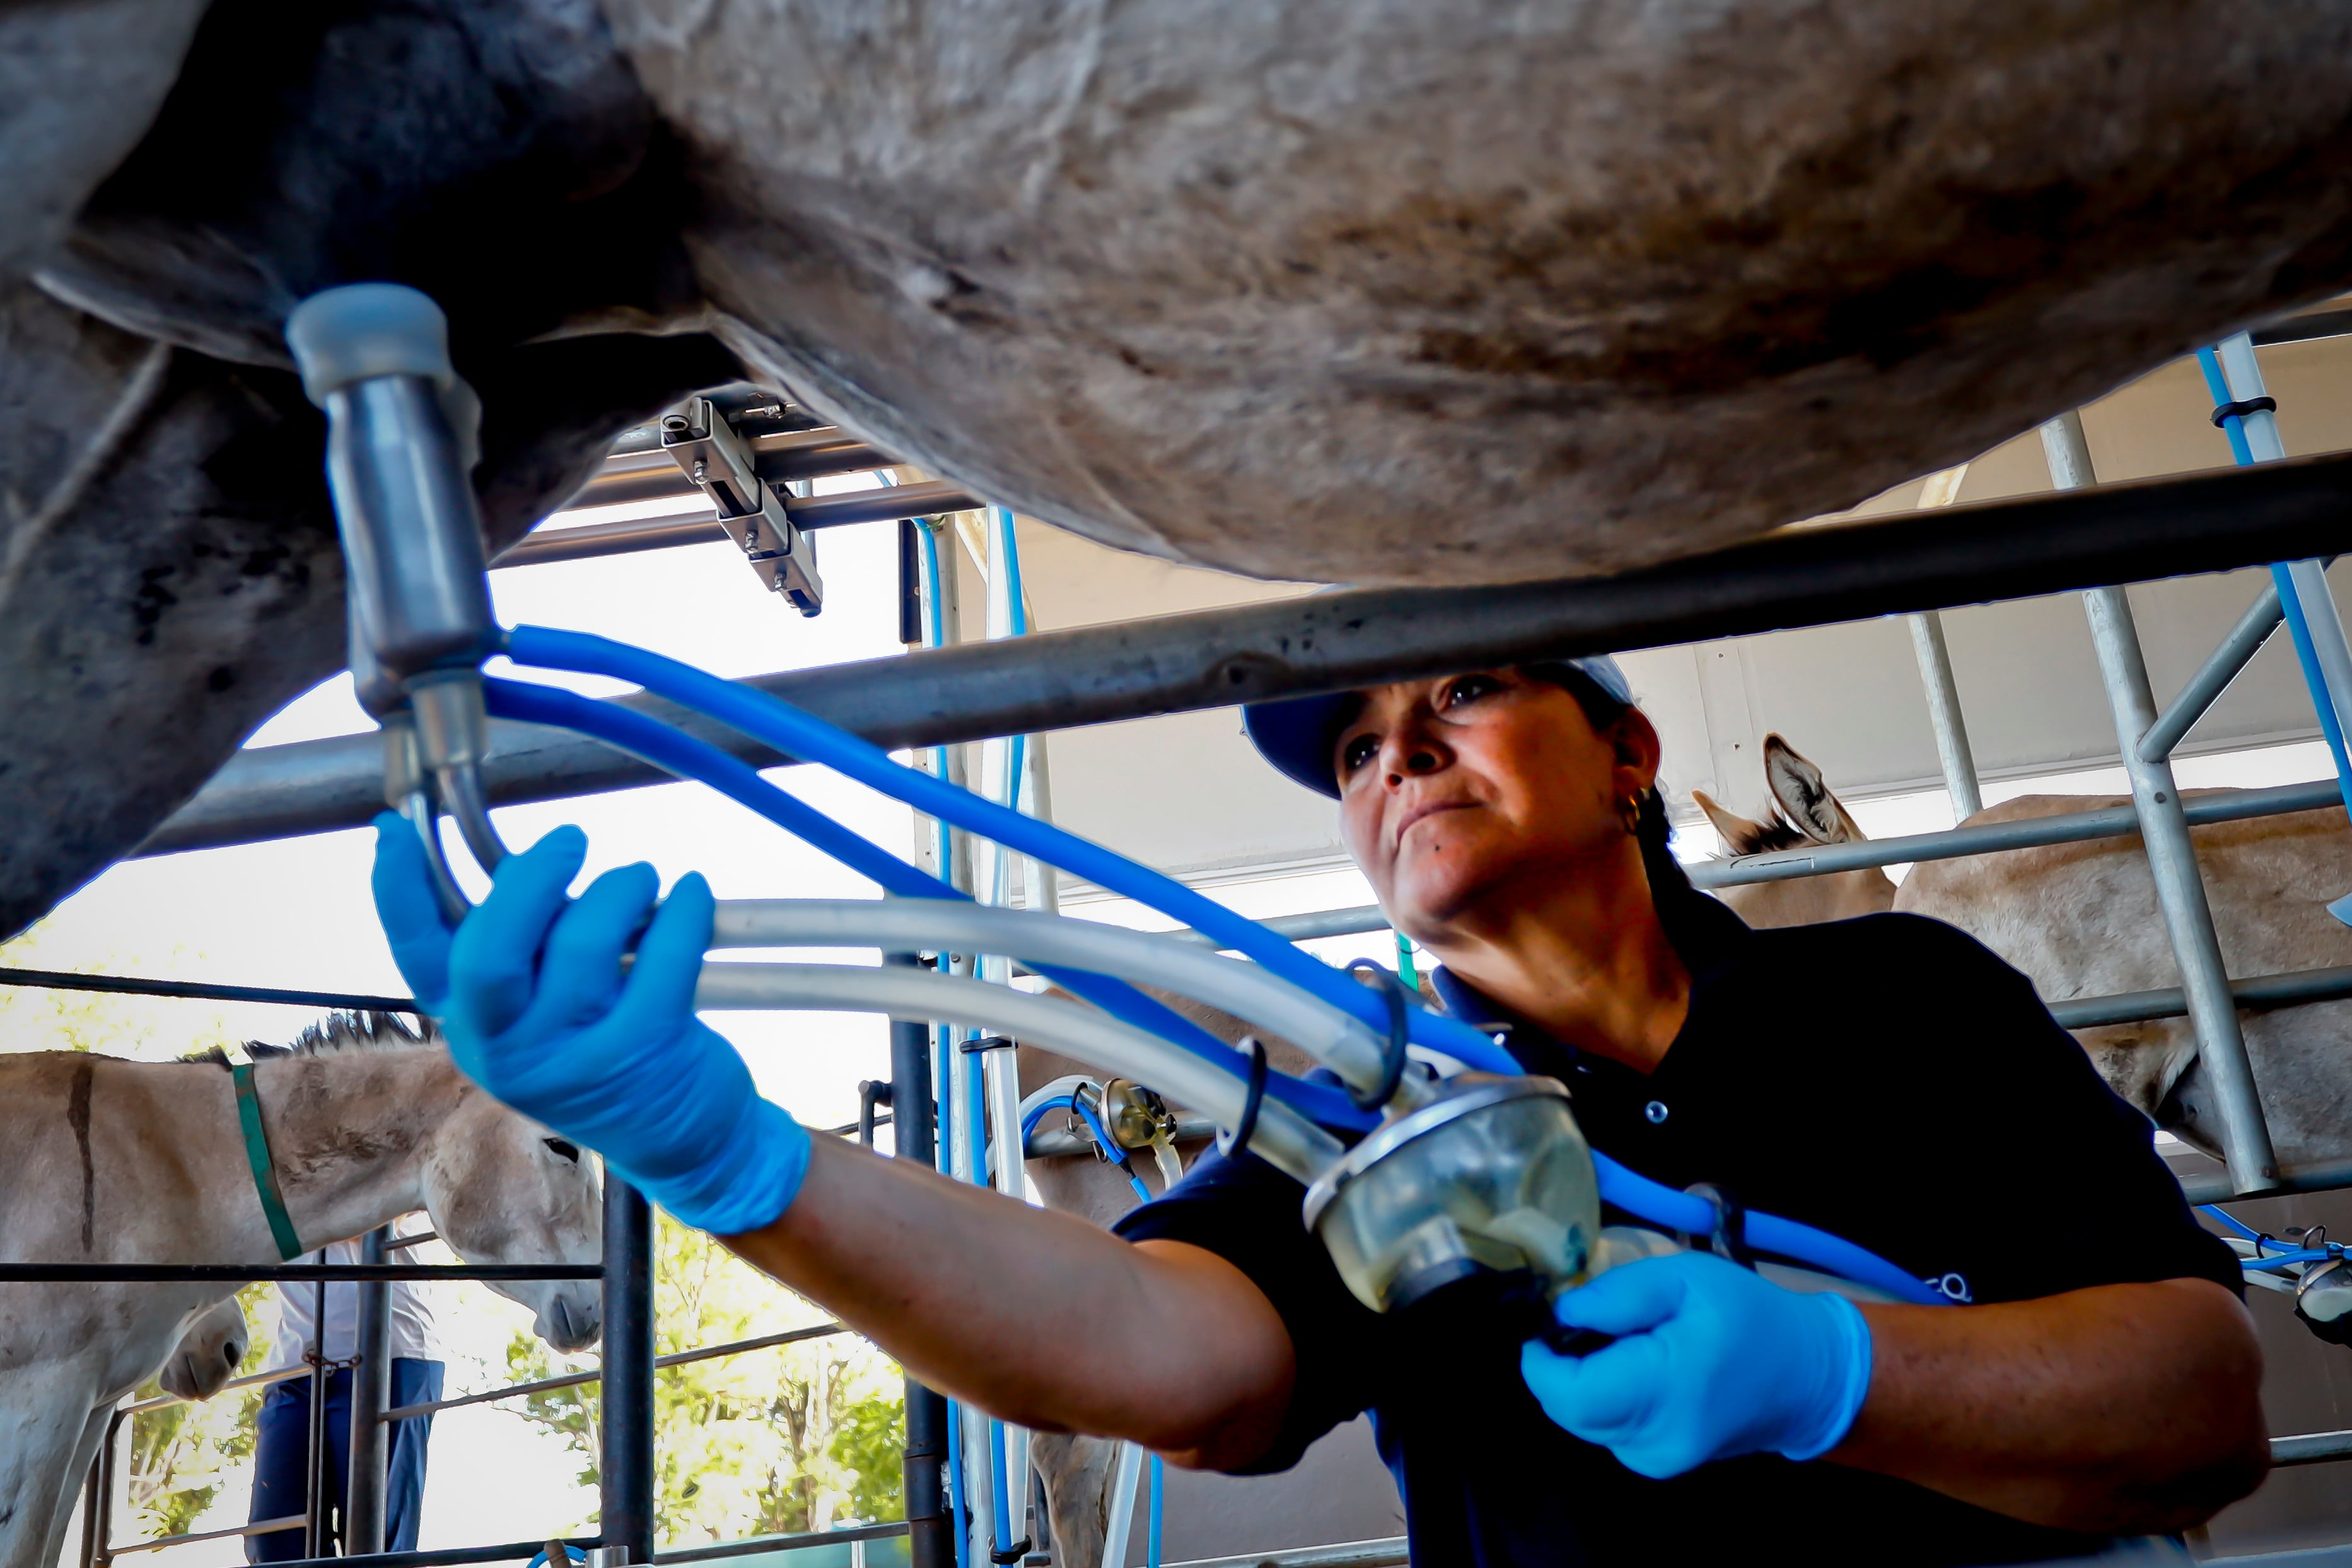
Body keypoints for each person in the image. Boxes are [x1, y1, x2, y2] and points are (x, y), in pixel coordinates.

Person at [368, 656, 2269, 1566]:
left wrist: (1837, 1375)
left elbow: (2200, 1414)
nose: (1397, 758)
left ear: (1627, 754)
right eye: (1356, 749)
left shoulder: (1902, 996)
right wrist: (726, 1159)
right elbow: (1146, 1346)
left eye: (1465, 696)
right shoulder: (1359, 1127)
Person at [247, 1219, 445, 1561]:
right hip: (296, 1362)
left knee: (374, 1536)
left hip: (391, 1353)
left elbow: (373, 1213)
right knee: (273, 1540)